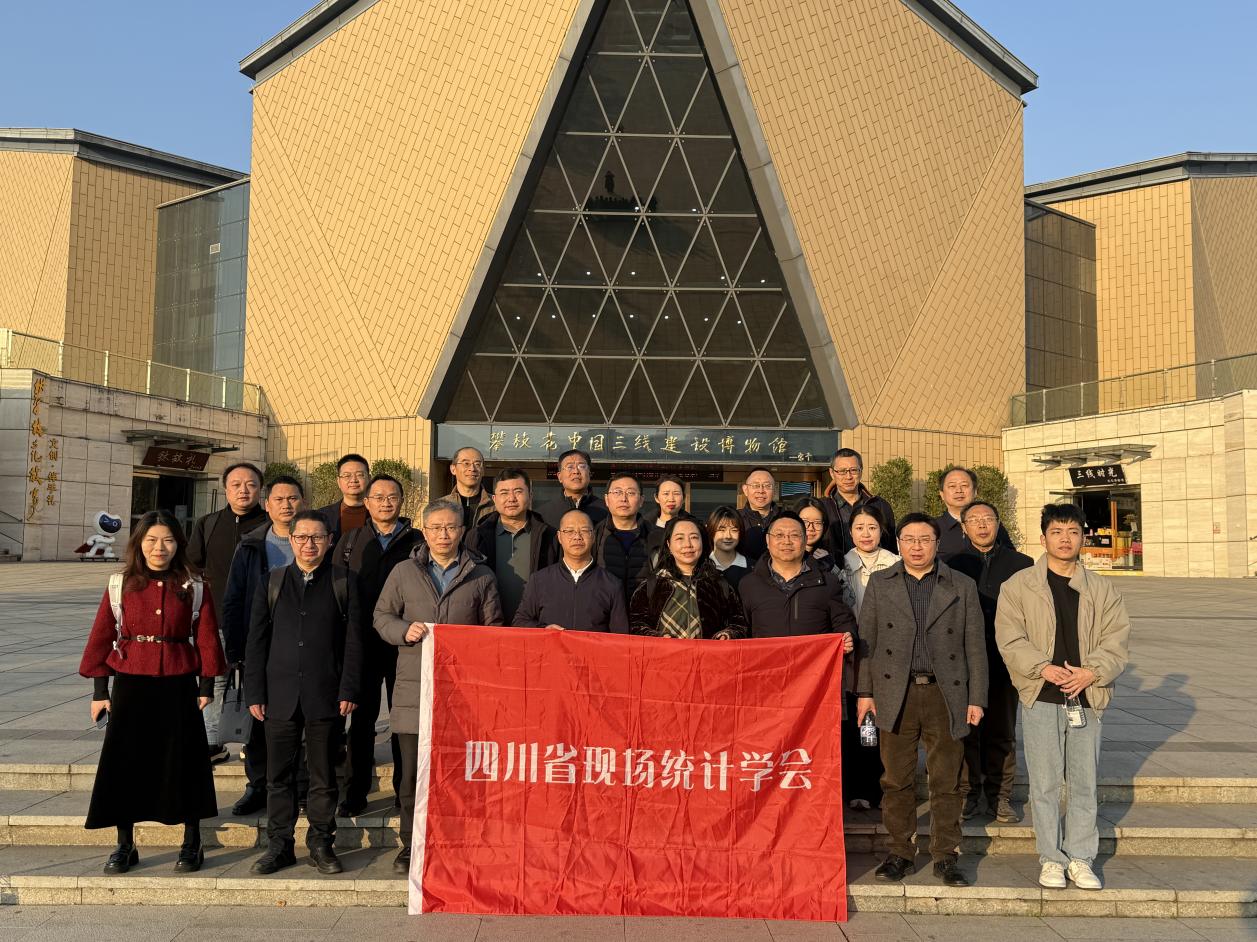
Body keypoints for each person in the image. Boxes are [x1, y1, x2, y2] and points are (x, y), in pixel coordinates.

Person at [79, 510, 227, 875]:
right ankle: (124, 844)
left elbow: (207, 635)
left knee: (185, 760)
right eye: (151, 540)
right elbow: (102, 635)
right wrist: (100, 691)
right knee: (125, 762)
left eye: (168, 540)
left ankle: (192, 841)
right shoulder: (121, 583)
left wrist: (206, 685)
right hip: (130, 682)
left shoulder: (193, 584)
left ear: (178, 544)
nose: (159, 548)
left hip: (179, 681)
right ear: (139, 543)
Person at [996, 503, 1130, 892]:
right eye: (1057, 531)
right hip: (1042, 695)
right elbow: (1009, 637)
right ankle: (1051, 858)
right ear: (1043, 538)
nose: (1065, 539)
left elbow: (1116, 639)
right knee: (1045, 783)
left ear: (1083, 537)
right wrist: (1042, 667)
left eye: (1073, 531)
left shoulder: (1102, 589)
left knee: (1085, 782)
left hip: (1087, 695)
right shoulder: (1019, 586)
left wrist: (1092, 672)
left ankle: (1081, 857)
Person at [855, 513, 986, 888]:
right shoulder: (881, 582)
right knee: (896, 779)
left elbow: (975, 646)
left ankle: (946, 855)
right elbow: (868, 641)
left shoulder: (961, 585)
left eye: (925, 539)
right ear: (898, 544)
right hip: (895, 692)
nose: (917, 547)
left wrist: (976, 697)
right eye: (909, 539)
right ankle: (900, 852)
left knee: (946, 780)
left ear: (937, 544)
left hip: (947, 692)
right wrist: (865, 693)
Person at [374, 499, 504, 875]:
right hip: (414, 689)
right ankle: (411, 845)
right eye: (436, 528)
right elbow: (381, 616)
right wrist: (404, 631)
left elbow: (494, 630)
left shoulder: (481, 575)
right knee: (412, 776)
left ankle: (456, 842)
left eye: (451, 527)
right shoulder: (404, 571)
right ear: (425, 531)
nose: (443, 534)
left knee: (458, 774)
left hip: (462, 693)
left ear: (462, 531)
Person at [246, 511, 363, 875]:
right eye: (301, 537)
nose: (309, 544)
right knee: (277, 777)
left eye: (317, 537)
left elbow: (354, 641)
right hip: (278, 695)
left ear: (330, 541)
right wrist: (255, 691)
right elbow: (256, 641)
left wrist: (349, 687)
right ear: (291, 540)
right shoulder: (272, 581)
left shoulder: (344, 581)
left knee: (323, 776)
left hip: (325, 693)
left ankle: (321, 843)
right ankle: (279, 846)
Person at [333, 473, 423, 817]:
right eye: (379, 497)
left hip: (406, 643)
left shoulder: (417, 540)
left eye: (392, 497)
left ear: (401, 501)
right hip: (363, 643)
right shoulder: (351, 541)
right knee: (361, 720)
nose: (386, 503)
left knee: (404, 720)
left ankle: (405, 792)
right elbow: (337, 589)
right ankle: (355, 794)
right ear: (367, 503)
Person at [220, 475, 305, 817]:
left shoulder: (316, 539)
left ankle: (300, 785)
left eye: (293, 498)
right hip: (261, 645)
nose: (287, 505)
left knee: (301, 716)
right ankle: (257, 784)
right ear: (267, 505)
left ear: (303, 502)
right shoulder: (251, 545)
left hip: (305, 645)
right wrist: (235, 650)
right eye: (279, 499)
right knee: (257, 718)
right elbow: (233, 598)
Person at [948, 500, 1033, 823]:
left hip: (1004, 661)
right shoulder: (951, 564)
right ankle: (968, 793)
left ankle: (1000, 795)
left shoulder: (1022, 565)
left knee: (1002, 731)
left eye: (988, 519)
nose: (982, 525)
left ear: (998, 523)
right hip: (963, 661)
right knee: (965, 730)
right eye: (974, 520)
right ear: (964, 527)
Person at [186, 461, 266, 763]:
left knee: (258, 677)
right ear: (225, 489)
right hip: (216, 616)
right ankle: (213, 741)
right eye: (236, 485)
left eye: (251, 485)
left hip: (261, 617)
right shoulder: (208, 524)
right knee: (214, 677)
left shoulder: (269, 525)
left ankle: (254, 739)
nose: (243, 490)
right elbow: (192, 565)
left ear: (260, 490)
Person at [840, 504, 898, 812]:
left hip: (887, 655)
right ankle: (856, 788)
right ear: (850, 532)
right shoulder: (840, 567)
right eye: (860, 528)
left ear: (882, 531)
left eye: (872, 527)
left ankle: (881, 788)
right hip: (852, 655)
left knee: (882, 724)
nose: (866, 534)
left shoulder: (896, 564)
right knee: (855, 722)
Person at [738, 511, 857, 642]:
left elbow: (843, 622)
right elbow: (741, 628)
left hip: (813, 655)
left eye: (794, 535)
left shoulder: (828, 582)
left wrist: (848, 637)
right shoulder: (749, 585)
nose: (787, 541)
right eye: (779, 535)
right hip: (767, 656)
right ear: (767, 540)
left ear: (805, 540)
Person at [464, 468, 559, 622]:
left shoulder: (549, 536)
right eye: (504, 493)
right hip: (489, 624)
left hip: (535, 625)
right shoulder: (477, 536)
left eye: (518, 492)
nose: (511, 499)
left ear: (530, 496)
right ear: (494, 498)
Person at [630, 517, 748, 639]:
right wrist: (659, 637)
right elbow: (636, 624)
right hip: (665, 651)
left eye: (694, 537)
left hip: (707, 651)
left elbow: (738, 623)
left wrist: (727, 635)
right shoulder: (652, 585)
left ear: (703, 542)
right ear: (668, 545)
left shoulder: (719, 583)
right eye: (680, 538)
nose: (687, 544)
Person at [513, 510, 629, 632]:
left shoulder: (612, 584)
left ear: (593, 536)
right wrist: (544, 630)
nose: (577, 537)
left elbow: (620, 636)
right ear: (559, 537)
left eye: (584, 531)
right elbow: (519, 621)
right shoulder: (539, 580)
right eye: (569, 531)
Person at [823, 448, 897, 556]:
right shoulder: (822, 507)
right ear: (832, 473)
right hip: (833, 566)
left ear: (861, 471)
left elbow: (891, 548)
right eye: (842, 471)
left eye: (853, 470)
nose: (848, 476)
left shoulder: (880, 506)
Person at [593, 473, 653, 606]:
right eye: (617, 492)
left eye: (630, 493)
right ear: (607, 499)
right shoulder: (594, 534)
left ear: (641, 500)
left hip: (644, 613)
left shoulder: (655, 536)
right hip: (604, 612)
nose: (623, 499)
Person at [934, 466, 1012, 560]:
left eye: (964, 485)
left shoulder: (991, 524)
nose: (959, 491)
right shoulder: (933, 527)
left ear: (975, 492)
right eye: (952, 486)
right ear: (942, 494)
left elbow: (1010, 558)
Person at [537, 449, 609, 530]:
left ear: (589, 474)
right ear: (560, 477)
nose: (576, 471)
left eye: (582, 466)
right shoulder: (543, 514)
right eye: (570, 467)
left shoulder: (608, 510)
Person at [317, 454, 371, 542]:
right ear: (338, 481)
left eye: (360, 475)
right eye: (347, 476)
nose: (353, 480)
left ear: (369, 478)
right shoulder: (321, 516)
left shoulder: (380, 513)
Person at [440, 446, 494, 531]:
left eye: (477, 464)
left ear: (483, 470)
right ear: (453, 469)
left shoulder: (496, 505)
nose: (472, 469)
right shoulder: (440, 505)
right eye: (466, 463)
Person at [737, 468, 778, 564]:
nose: (761, 491)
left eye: (767, 486)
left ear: (774, 490)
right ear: (745, 490)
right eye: (755, 485)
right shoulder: (735, 519)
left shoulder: (786, 519)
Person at [706, 505, 749, 592]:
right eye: (722, 530)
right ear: (711, 530)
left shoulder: (753, 568)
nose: (728, 536)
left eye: (734, 530)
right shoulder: (701, 567)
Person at [795, 496, 838, 573]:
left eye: (817, 523)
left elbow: (842, 580)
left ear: (824, 526)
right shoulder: (783, 555)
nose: (811, 528)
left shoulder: (829, 556)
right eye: (805, 522)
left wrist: (831, 567)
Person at [646, 475, 685, 557]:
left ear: (684, 498)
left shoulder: (694, 527)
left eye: (676, 494)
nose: (671, 499)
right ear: (656, 498)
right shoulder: (644, 528)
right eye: (666, 494)